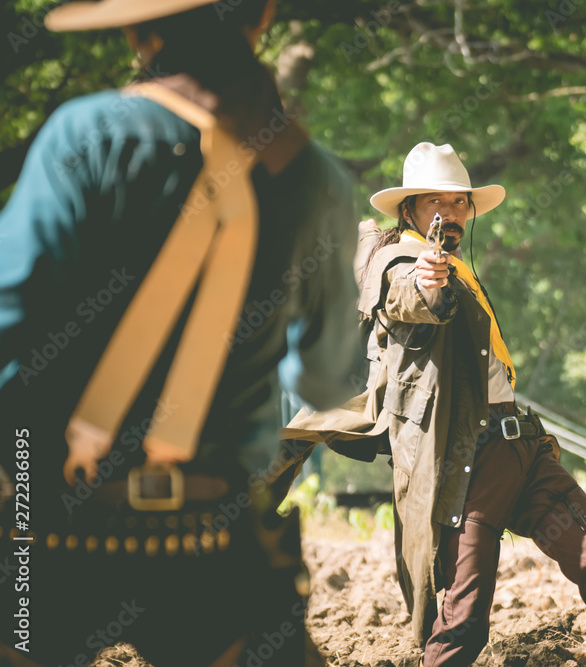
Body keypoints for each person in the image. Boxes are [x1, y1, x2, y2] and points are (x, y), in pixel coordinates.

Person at [0, 0, 360, 664]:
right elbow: (329, 377)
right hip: (216, 547)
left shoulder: (85, 135)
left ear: (139, 29)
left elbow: (9, 327)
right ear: (261, 19)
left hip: (45, 538)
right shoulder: (319, 179)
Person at [285, 142, 586, 666]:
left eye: (459, 204)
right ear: (410, 209)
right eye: (437, 202)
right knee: (461, 624)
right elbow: (408, 293)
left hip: (521, 452)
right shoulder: (403, 261)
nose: (450, 214)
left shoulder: (459, 267)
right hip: (465, 464)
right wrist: (428, 286)